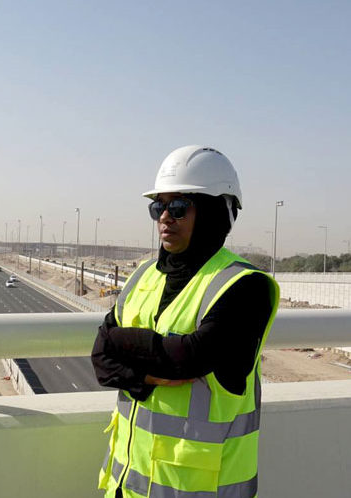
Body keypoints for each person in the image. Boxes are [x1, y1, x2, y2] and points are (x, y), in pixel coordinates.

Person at [92, 146, 279, 498]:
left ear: (213, 213)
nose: (165, 217)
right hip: (127, 487)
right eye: (158, 207)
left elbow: (187, 359)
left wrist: (119, 342)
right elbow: (101, 357)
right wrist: (141, 375)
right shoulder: (144, 275)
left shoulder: (243, 286)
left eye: (178, 206)